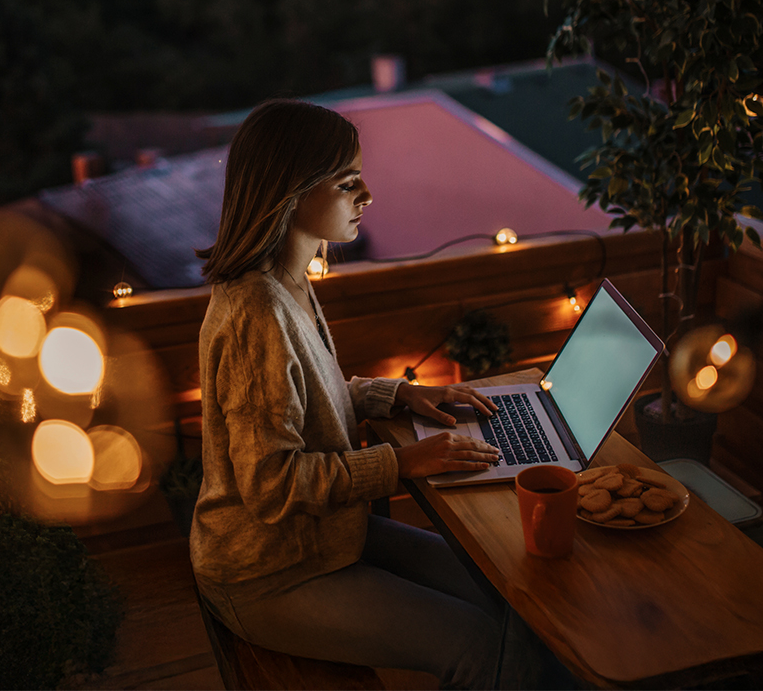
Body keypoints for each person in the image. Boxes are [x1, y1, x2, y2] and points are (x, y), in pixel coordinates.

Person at [190, 99, 571, 689]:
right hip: (267, 572)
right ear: (291, 192)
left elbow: (302, 399)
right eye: (348, 183)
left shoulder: (288, 281)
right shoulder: (256, 312)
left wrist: (398, 396)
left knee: (513, 595)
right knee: (483, 648)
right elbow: (271, 484)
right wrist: (402, 463)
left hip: (328, 537)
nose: (367, 195)